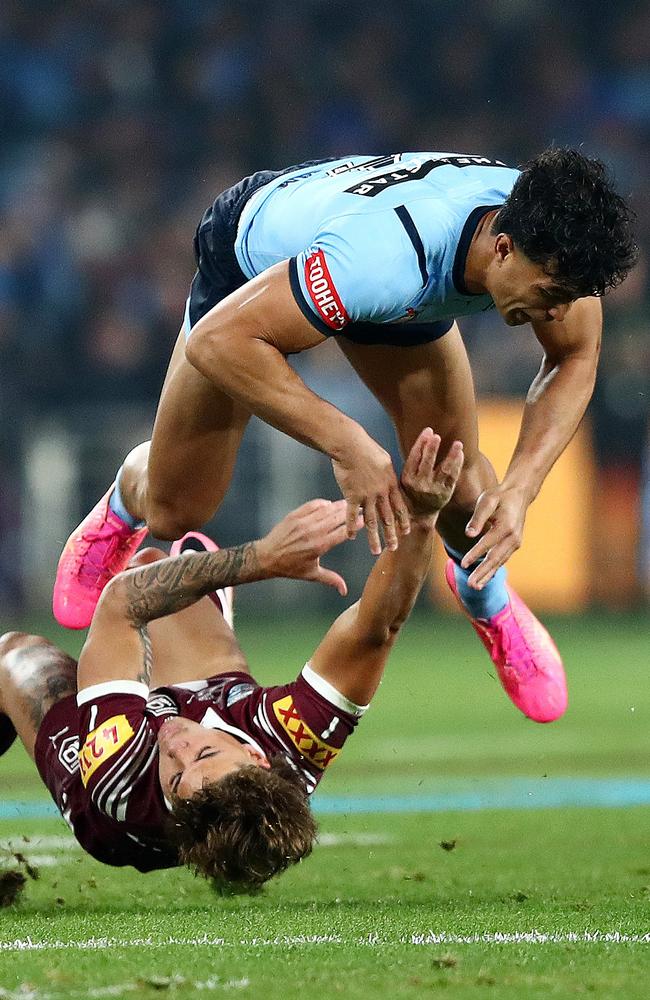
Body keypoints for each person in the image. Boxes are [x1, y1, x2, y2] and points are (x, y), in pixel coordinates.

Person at [52, 148, 637, 724]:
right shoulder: (383, 258)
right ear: (503, 248)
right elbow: (217, 342)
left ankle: (487, 599)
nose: (556, 315)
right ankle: (131, 493)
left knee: (460, 482)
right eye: (549, 298)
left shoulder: (556, 236)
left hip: (380, 279)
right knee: (178, 509)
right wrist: (349, 443)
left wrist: (520, 490)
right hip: (253, 269)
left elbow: (574, 358)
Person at [3, 430, 464, 891]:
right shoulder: (294, 737)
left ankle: (192, 579)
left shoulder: (118, 777)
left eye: (178, 778)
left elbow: (120, 603)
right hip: (211, 699)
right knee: (150, 565)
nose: (177, 745)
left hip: (106, 797)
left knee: (13, 656)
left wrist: (264, 558)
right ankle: (195, 592)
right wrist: (421, 517)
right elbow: (377, 628)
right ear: (255, 755)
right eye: (203, 753)